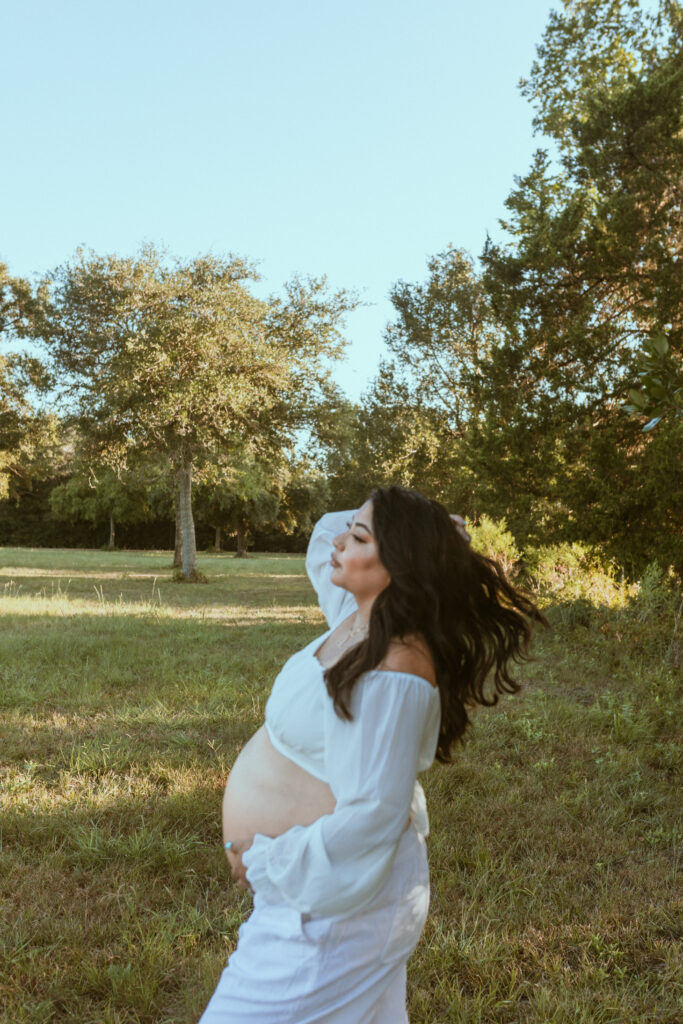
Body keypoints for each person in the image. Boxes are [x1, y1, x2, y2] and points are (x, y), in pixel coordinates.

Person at [199, 486, 546, 1023]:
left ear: (399, 566)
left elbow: (374, 818)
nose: (341, 541)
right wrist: (422, 525)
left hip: (339, 912)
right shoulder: (359, 616)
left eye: (359, 536)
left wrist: (269, 860)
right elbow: (322, 534)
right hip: (321, 900)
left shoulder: (396, 668)